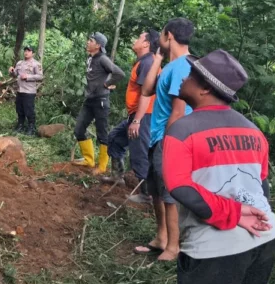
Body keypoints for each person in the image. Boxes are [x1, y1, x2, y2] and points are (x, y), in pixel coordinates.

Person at [164, 50, 275, 284]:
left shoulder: (182, 130)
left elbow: (179, 187)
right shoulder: (253, 130)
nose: (184, 78)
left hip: (214, 249)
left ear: (204, 88)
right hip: (264, 238)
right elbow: (262, 184)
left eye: (191, 75)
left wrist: (235, 213)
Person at [135, 18, 194, 261]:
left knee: (170, 195)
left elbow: (178, 112)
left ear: (168, 36)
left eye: (161, 33)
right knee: (157, 191)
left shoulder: (183, 67)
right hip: (157, 137)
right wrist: (158, 60)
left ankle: (173, 247)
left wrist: (169, 144)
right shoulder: (170, 66)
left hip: (171, 138)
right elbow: (146, 91)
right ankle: (161, 237)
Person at [101, 31, 159, 201]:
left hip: (144, 116)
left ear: (146, 44)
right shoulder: (143, 62)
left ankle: (146, 194)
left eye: (139, 38)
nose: (136, 40)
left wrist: (137, 120)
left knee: (140, 152)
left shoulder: (149, 62)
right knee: (115, 138)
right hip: (137, 115)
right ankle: (117, 176)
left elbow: (146, 94)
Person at [72, 33, 125, 173]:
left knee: (102, 133)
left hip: (101, 100)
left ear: (98, 45)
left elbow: (119, 73)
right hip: (89, 100)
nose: (88, 42)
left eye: (91, 40)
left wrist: (108, 84)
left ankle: (102, 166)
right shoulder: (91, 58)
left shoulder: (103, 59)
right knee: (79, 130)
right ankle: (89, 160)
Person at [9, 46, 44, 136]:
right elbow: (15, 75)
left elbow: (40, 76)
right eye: (25, 51)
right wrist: (12, 71)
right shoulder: (20, 63)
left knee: (29, 110)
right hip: (20, 90)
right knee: (19, 109)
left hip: (29, 91)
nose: (26, 52)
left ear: (33, 53)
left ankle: (31, 127)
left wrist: (28, 77)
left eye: (28, 51)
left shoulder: (36, 64)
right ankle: (20, 125)